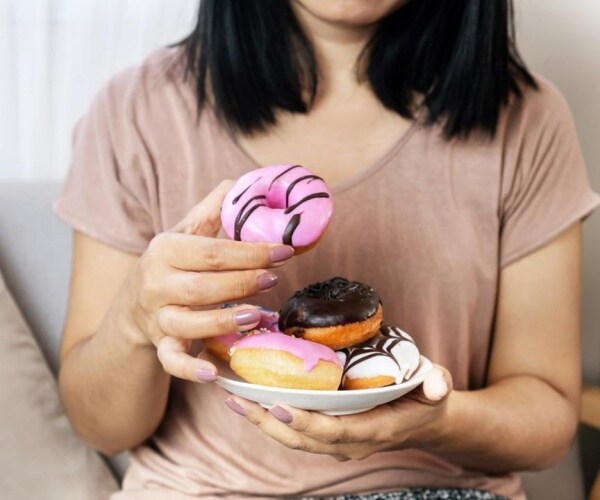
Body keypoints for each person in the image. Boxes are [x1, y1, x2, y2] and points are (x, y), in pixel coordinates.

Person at [54, 1, 599, 499]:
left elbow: (547, 423)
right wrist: (135, 319)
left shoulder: (524, 119)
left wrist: (439, 421)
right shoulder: (137, 113)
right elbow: (100, 425)